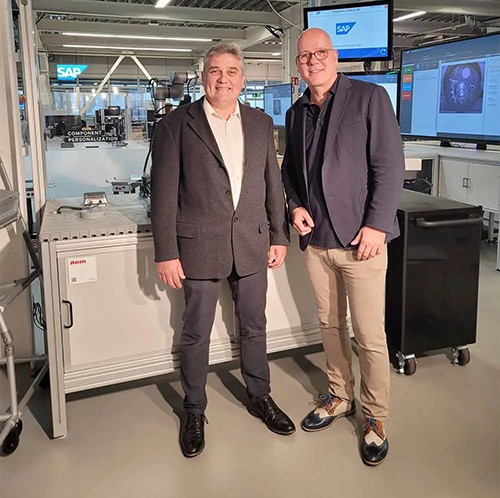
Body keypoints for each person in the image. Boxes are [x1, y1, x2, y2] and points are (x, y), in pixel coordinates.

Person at [151, 43, 295, 458]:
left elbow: (272, 184)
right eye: (215, 71)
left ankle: (260, 397)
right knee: (195, 332)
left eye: (232, 71)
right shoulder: (176, 125)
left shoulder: (260, 122)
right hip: (198, 247)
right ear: (203, 77)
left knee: (255, 326)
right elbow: (163, 195)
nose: (223, 78)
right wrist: (166, 252)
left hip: (251, 242)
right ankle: (194, 409)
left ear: (243, 79)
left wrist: (279, 235)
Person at [281, 28, 405, 466]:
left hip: (361, 242)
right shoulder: (296, 112)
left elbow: (390, 166)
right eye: (304, 56)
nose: (312, 61)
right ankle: (339, 394)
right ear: (298, 64)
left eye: (320, 53)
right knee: (330, 326)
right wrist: (294, 207)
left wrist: (376, 225)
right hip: (317, 242)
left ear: (334, 56)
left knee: (369, 335)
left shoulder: (369, 98)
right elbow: (290, 173)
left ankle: (375, 417)